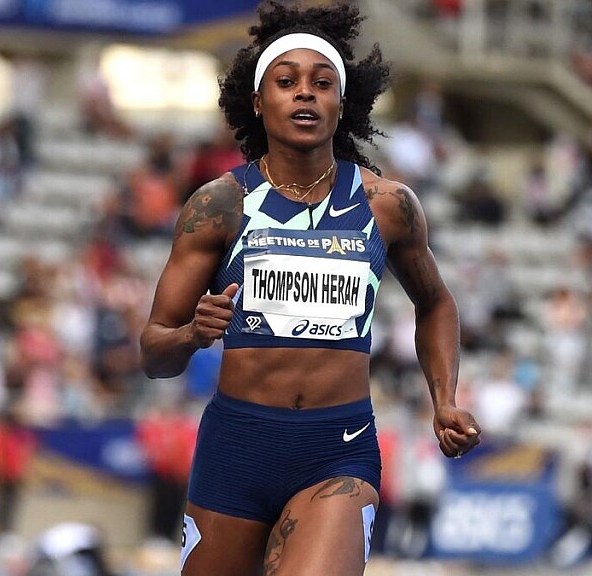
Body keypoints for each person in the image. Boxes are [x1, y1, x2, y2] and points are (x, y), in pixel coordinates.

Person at [139, 3, 482, 575]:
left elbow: (437, 302)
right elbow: (154, 353)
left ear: (341, 104)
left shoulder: (386, 205)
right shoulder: (219, 205)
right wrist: (192, 334)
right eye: (287, 81)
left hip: (337, 447)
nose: (305, 93)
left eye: (322, 83)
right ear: (257, 101)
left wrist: (443, 398)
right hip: (237, 448)